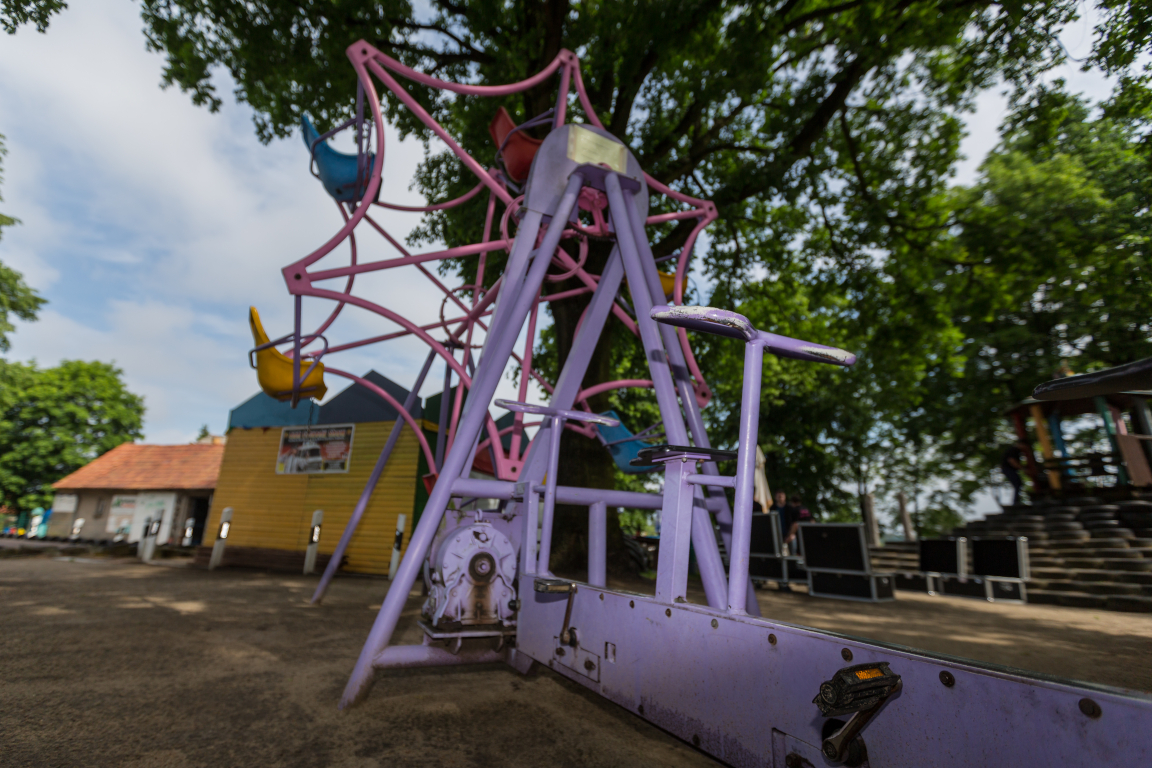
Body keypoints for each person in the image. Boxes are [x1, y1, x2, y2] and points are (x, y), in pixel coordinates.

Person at [1001, 441, 1028, 506]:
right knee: (1017, 483)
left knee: (1018, 483)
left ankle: (1016, 501)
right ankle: (1016, 502)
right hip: (1008, 469)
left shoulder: (1015, 450)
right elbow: (1012, 460)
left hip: (1008, 469)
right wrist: (1023, 469)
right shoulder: (1014, 450)